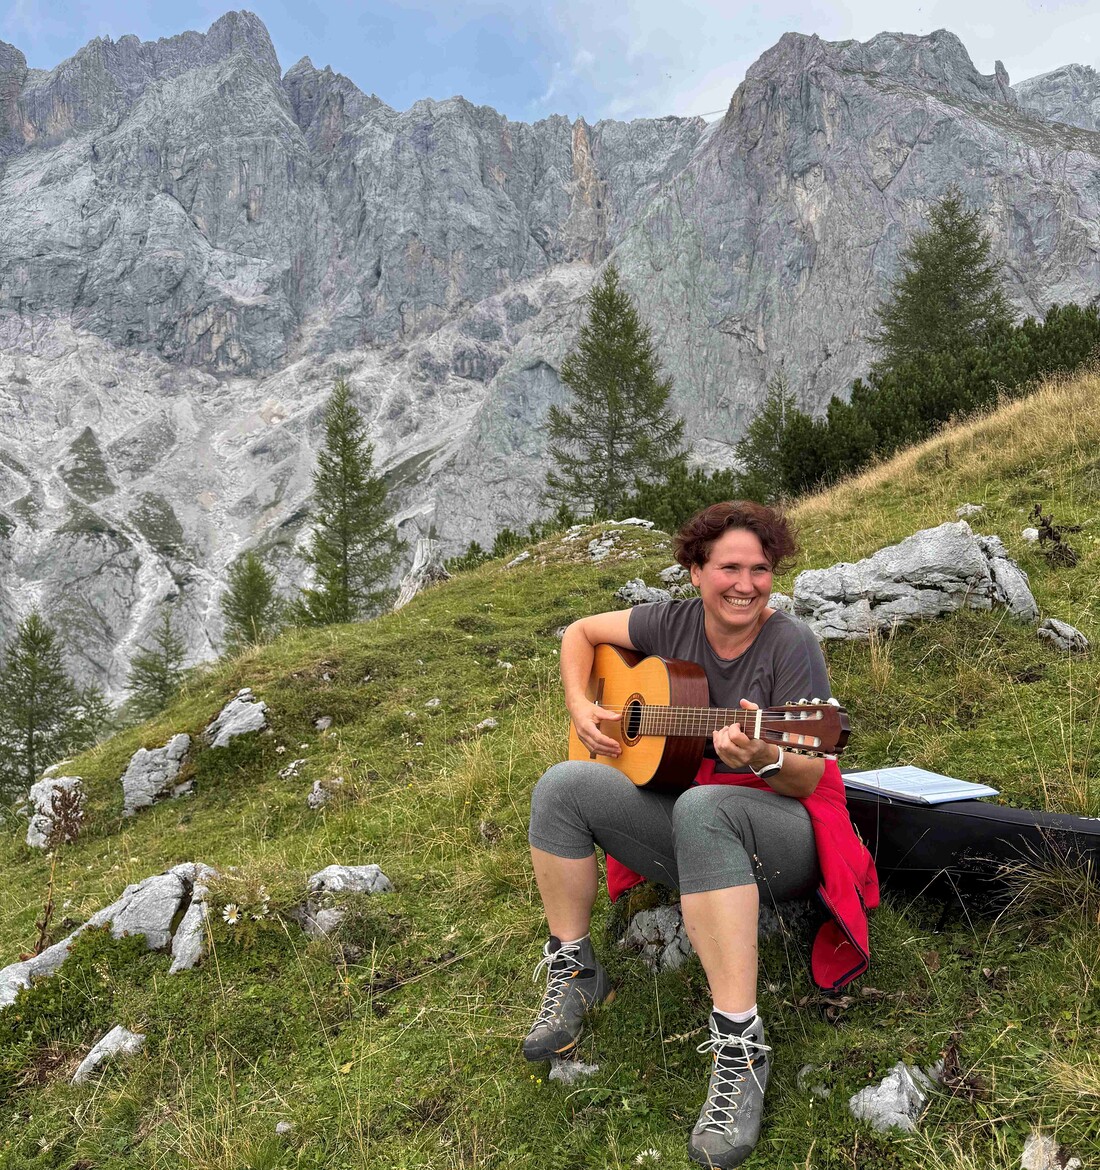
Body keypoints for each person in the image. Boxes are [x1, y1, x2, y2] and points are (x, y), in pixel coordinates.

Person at [523, 501, 877, 1169]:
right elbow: (580, 633)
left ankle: (740, 1044)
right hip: (701, 827)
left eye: (760, 570)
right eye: (729, 569)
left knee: (703, 805)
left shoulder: (791, 645)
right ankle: (575, 969)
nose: (746, 584)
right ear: (695, 572)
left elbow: (808, 775)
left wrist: (763, 756)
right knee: (561, 785)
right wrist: (581, 704)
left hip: (787, 835)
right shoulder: (671, 622)